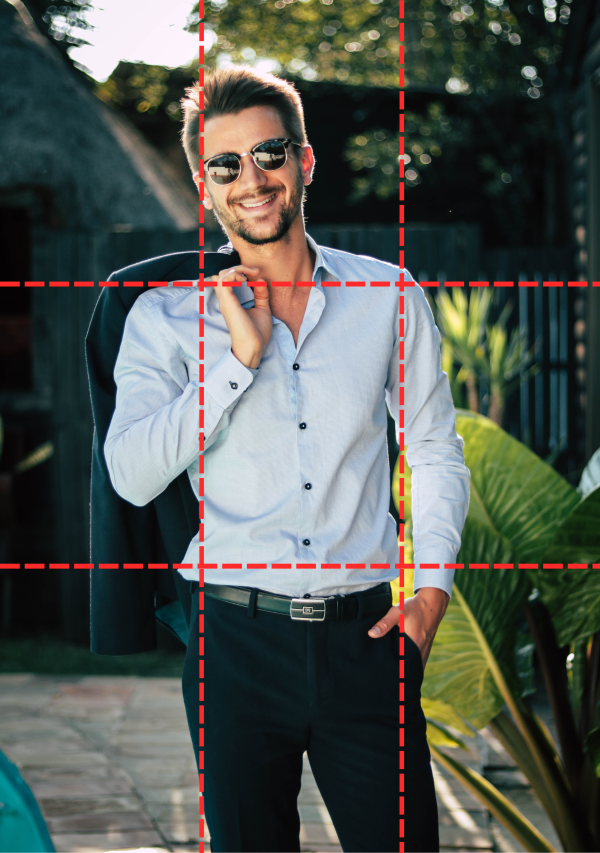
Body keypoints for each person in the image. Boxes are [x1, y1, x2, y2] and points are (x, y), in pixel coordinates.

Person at [102, 66, 470, 853]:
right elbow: (130, 473)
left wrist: (432, 589)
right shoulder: (163, 318)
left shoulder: (390, 296)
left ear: (305, 161)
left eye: (269, 153)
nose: (251, 180)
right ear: (205, 186)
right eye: (225, 164)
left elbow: (435, 448)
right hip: (233, 646)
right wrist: (237, 361)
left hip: (367, 641)